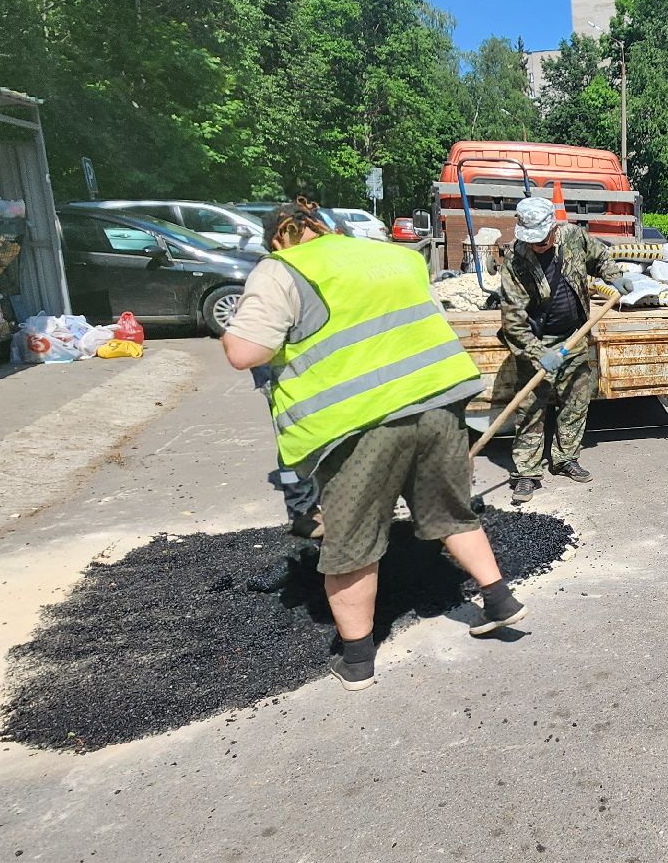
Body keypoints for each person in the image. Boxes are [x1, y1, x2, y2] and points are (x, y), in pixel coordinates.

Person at [220, 203, 528, 692]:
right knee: (450, 512)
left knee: (352, 541)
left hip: (361, 425)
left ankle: (358, 660)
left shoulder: (282, 270)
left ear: (278, 238)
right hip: (439, 405)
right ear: (326, 226)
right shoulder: (392, 256)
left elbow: (244, 353)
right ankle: (498, 599)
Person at [495, 196, 627, 504]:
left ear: (554, 229)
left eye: (543, 240)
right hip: (539, 341)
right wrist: (537, 352)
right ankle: (527, 473)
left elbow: (601, 258)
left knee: (577, 401)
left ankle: (565, 458)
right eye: (533, 242)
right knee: (530, 407)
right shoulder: (515, 263)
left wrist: (616, 277)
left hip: (575, 335)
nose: (538, 246)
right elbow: (513, 321)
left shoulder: (573, 237)